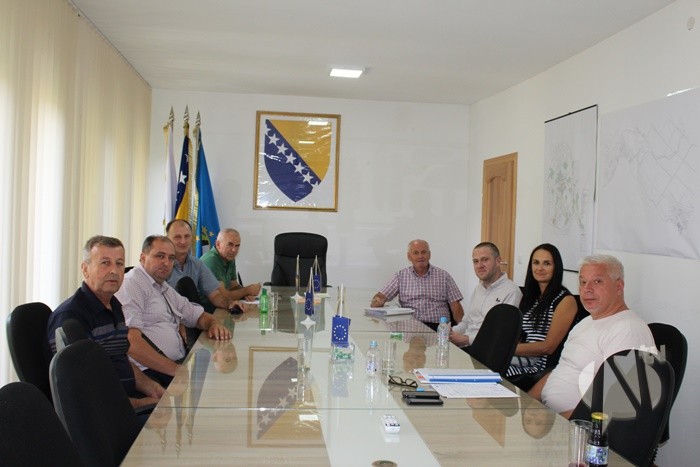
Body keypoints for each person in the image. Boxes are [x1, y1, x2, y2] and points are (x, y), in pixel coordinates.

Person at [46, 235, 165, 411]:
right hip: (103, 414)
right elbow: (83, 389)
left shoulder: (114, 305)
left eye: (119, 263)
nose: (114, 271)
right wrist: (140, 404)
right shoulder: (71, 317)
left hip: (126, 401)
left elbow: (121, 359)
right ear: (85, 269)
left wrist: (153, 388)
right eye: (105, 263)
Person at [529, 254, 656, 418]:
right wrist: (525, 404)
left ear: (618, 286)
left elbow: (617, 403)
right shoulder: (586, 322)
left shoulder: (628, 330)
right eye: (583, 282)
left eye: (597, 281)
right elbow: (562, 370)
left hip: (579, 426)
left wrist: (554, 423)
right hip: (546, 419)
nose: (587, 289)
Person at [115, 235, 232, 387]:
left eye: (171, 258)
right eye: (160, 256)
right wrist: (175, 369)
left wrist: (213, 323)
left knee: (221, 381)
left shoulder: (162, 286)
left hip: (175, 366)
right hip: (151, 374)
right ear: (142, 257)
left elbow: (195, 315)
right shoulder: (132, 284)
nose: (166, 262)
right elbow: (130, 343)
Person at [505, 244, 578, 387]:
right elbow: (521, 334)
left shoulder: (565, 300)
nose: (540, 268)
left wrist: (507, 349)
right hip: (521, 357)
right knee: (482, 362)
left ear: (556, 267)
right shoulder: (531, 297)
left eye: (547, 263)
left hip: (539, 367)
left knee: (490, 368)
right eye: (536, 262)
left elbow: (548, 347)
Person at [370, 239, 464, 330]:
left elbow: (456, 306)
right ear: (409, 256)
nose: (420, 256)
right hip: (410, 327)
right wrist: (377, 301)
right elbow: (381, 296)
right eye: (415, 253)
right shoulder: (400, 276)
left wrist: (461, 330)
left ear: (429, 255)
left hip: (439, 328)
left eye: (424, 252)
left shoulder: (444, 276)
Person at [450, 242, 522, 347]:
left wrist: (467, 340)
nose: (479, 266)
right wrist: (450, 332)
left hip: (487, 350)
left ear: (498, 261)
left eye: (485, 259)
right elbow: (466, 323)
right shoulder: (478, 289)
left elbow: (502, 334)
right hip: (466, 345)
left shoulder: (511, 292)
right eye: (475, 261)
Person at [165, 219, 241, 311]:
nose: (183, 241)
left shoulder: (197, 264)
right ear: (167, 239)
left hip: (192, 316)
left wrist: (230, 304)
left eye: (187, 236)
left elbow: (215, 295)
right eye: (177, 237)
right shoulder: (161, 265)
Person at [200, 228, 261, 306]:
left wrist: (245, 294)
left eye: (237, 246)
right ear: (218, 244)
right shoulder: (212, 260)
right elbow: (222, 296)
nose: (234, 250)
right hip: (206, 308)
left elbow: (234, 286)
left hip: (222, 306)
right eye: (230, 245)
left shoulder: (229, 257)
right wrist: (247, 290)